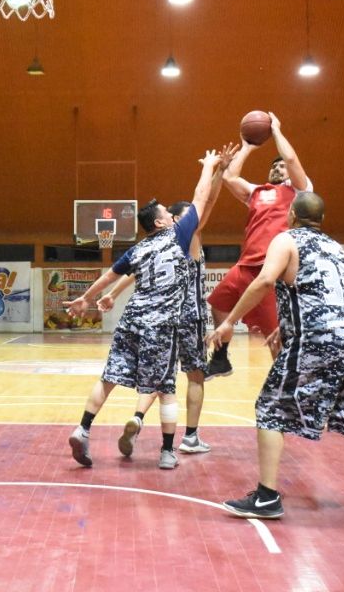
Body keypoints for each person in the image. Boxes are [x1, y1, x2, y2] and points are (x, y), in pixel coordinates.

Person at [207, 192, 344, 519]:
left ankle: (267, 497)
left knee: (269, 408)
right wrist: (285, 327)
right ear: (322, 221)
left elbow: (265, 280)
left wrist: (228, 322)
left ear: (292, 216)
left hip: (317, 338)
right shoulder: (335, 248)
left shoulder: (286, 239)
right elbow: (325, 293)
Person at [65, 150, 222, 470]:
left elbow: (111, 275)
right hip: (161, 326)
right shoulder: (179, 236)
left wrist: (86, 298)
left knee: (108, 378)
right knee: (165, 389)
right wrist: (208, 167)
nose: (171, 214)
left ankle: (82, 429)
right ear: (162, 222)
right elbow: (201, 196)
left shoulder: (138, 249)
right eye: (167, 212)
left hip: (131, 320)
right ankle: (167, 451)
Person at [98, 143, 238, 456]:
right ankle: (189, 436)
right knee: (195, 376)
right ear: (174, 219)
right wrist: (217, 171)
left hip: (161, 317)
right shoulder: (186, 236)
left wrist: (112, 293)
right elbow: (208, 201)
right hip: (189, 315)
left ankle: (137, 417)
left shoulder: (157, 247)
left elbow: (133, 272)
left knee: (160, 377)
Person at [206, 112, 312, 377]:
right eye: (273, 166)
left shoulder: (299, 191)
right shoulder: (257, 192)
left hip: (272, 271)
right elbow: (230, 177)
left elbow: (290, 158)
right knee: (217, 302)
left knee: (276, 341)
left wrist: (275, 131)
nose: (277, 168)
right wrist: (246, 147)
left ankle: (287, 386)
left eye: (281, 167)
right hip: (245, 265)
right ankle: (221, 357)